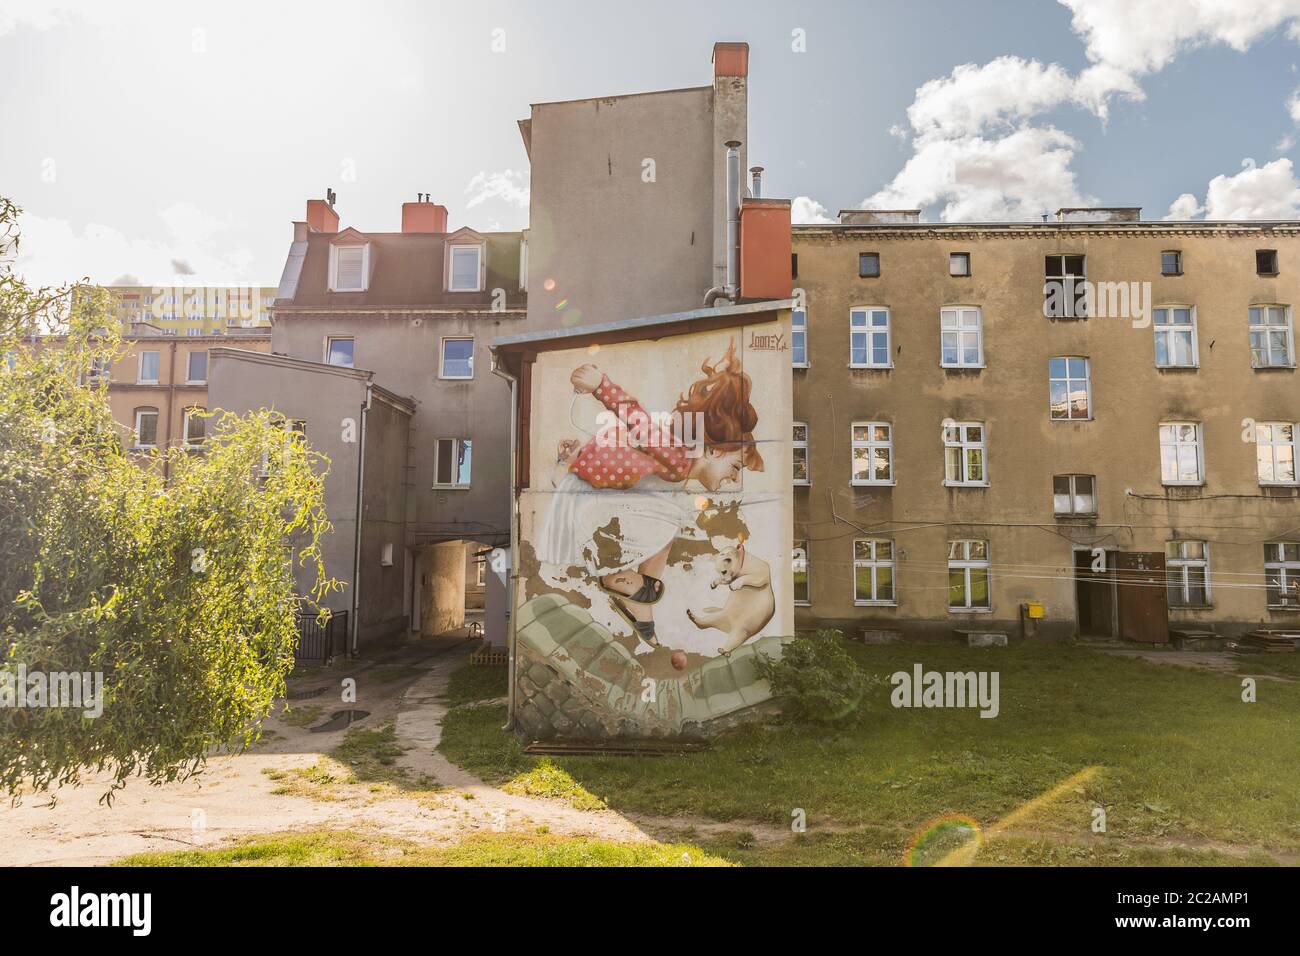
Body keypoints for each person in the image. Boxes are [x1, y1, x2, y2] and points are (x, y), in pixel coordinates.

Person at [537, 341, 763, 646]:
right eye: (735, 467)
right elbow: (637, 419)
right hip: (585, 502)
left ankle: (643, 617)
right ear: (713, 451)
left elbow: (620, 466)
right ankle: (615, 577)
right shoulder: (677, 456)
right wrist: (601, 386)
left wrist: (571, 461)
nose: (731, 479)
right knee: (671, 518)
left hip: (586, 494)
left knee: (667, 528)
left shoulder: (677, 471)